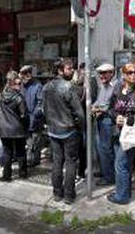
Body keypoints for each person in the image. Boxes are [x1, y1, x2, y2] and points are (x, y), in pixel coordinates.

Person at [42, 59, 84, 205]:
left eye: (72, 68)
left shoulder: (46, 87)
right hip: (69, 131)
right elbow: (80, 113)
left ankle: (57, 193)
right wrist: (80, 127)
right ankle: (68, 195)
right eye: (69, 68)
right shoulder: (68, 87)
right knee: (70, 163)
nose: (72, 70)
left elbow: (43, 110)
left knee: (57, 162)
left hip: (54, 130)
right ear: (60, 71)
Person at [106, 63, 135, 205]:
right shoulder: (118, 89)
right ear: (124, 75)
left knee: (121, 164)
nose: (133, 75)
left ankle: (121, 196)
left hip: (132, 133)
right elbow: (111, 109)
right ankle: (123, 191)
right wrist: (116, 117)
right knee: (123, 164)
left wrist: (129, 119)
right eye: (129, 72)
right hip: (118, 132)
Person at [0, 71, 29, 182]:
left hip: (4, 129)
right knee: (21, 151)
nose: (20, 85)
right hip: (17, 128)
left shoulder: (0, 96)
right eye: (18, 83)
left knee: (7, 152)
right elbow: (24, 115)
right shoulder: (18, 98)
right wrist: (26, 126)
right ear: (13, 82)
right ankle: (22, 172)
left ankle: (7, 175)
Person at [92, 63, 116, 186]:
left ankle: (109, 177)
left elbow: (110, 105)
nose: (101, 75)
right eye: (100, 73)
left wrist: (100, 109)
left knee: (106, 149)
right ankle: (104, 171)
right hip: (100, 119)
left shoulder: (115, 86)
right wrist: (94, 106)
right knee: (100, 148)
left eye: (104, 73)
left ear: (111, 73)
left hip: (108, 121)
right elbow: (99, 101)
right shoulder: (103, 86)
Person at [19, 65, 44, 167]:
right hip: (24, 119)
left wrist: (34, 117)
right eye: (24, 74)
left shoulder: (37, 85)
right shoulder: (21, 86)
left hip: (35, 120)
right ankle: (30, 160)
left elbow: (40, 103)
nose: (26, 75)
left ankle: (34, 160)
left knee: (35, 141)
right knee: (28, 142)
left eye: (28, 73)